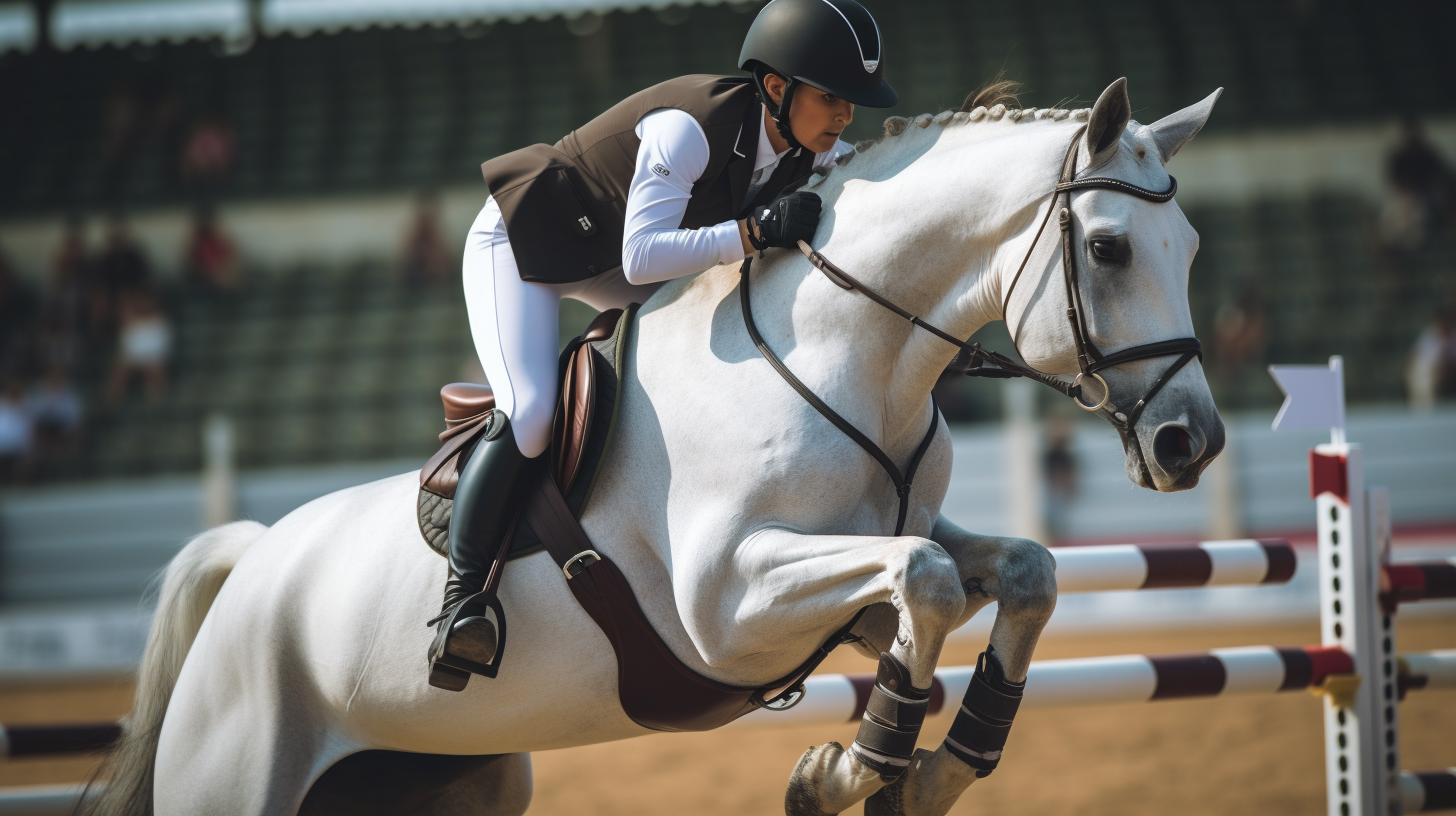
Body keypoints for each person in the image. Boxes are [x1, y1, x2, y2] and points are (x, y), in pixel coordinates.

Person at [430, 0, 899, 688]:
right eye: (831, 97)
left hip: (614, 259)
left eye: (850, 103)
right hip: (525, 239)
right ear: (776, 88)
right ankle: (461, 604)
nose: (843, 117)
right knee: (530, 411)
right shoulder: (690, 129)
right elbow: (644, 255)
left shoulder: (814, 149)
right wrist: (749, 234)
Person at [183, 205, 240, 291]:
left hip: (222, 276)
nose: (206, 222)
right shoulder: (195, 242)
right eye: (203, 220)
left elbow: (232, 256)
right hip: (206, 280)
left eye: (208, 220)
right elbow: (191, 266)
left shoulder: (219, 238)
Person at [399, 192, 451, 285]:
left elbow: (444, 271)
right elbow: (402, 270)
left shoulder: (439, 239)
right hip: (414, 286)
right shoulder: (411, 238)